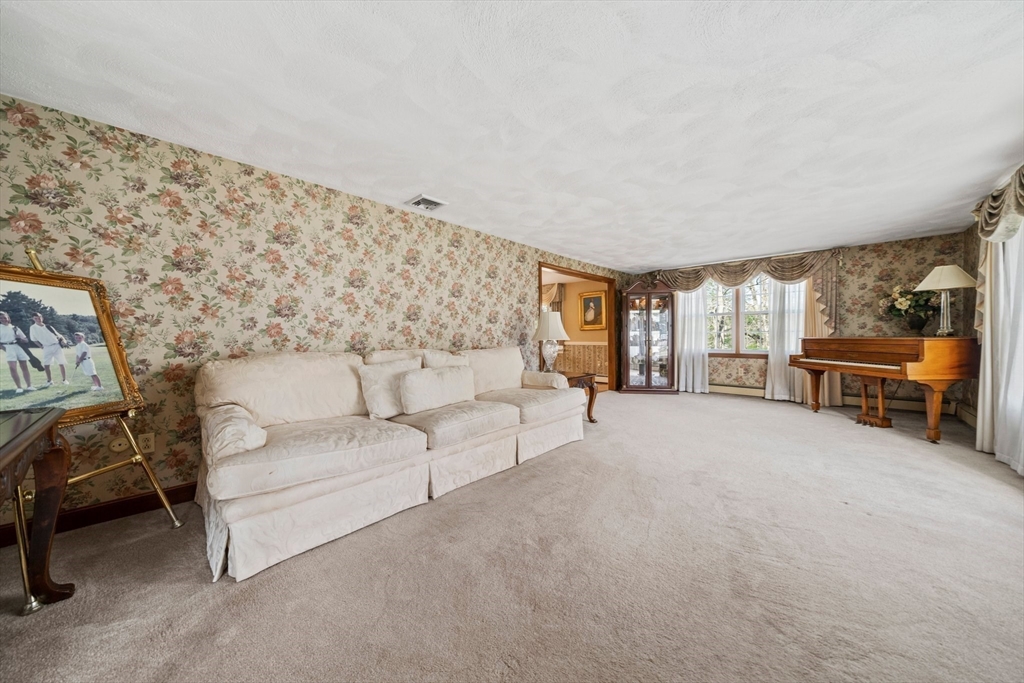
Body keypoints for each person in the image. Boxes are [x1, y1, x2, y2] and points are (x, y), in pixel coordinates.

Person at [0, 311, 36, 394]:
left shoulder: (15, 328)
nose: (3, 319)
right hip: (8, 347)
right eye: (1, 318)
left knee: (24, 366)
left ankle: (29, 386)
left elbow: (26, 340)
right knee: (12, 367)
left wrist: (20, 338)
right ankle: (19, 387)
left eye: (4, 317)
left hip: (18, 347)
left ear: (8, 318)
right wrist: (4, 348)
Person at [30, 312, 69, 387]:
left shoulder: (48, 326)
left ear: (42, 317)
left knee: (61, 363)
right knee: (46, 365)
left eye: (39, 317)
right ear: (33, 319)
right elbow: (33, 339)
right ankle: (49, 381)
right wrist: (41, 347)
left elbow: (60, 336)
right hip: (46, 347)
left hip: (56, 346)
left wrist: (64, 341)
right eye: (36, 318)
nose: (38, 319)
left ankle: (64, 380)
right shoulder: (32, 328)